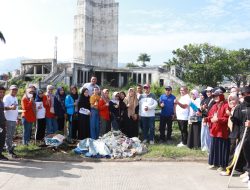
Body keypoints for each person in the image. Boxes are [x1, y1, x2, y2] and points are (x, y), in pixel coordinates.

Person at [205, 87, 230, 171]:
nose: (215, 98)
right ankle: (215, 164)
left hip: (222, 131)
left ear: (221, 96)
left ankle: (222, 165)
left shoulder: (226, 105)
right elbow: (210, 116)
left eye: (217, 96)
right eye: (214, 96)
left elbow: (227, 119)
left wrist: (218, 119)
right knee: (214, 148)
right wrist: (206, 119)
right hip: (214, 131)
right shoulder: (214, 106)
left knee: (222, 148)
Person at [231, 86, 250, 187]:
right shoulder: (240, 107)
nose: (244, 96)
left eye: (246, 94)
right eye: (242, 94)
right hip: (245, 135)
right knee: (246, 154)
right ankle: (248, 172)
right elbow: (236, 121)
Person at [3, 85, 19, 158]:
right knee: (8, 135)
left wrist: (17, 118)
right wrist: (11, 107)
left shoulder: (15, 98)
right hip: (8, 119)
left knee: (11, 135)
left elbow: (16, 109)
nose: (14, 91)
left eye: (15, 90)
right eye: (13, 89)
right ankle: (8, 150)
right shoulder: (7, 97)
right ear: (10, 90)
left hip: (13, 119)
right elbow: (4, 108)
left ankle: (9, 148)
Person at [200, 86, 215, 152]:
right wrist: (202, 109)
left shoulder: (214, 100)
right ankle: (204, 147)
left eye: (209, 91)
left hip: (209, 119)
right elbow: (202, 109)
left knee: (207, 134)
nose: (208, 93)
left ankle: (208, 148)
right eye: (207, 91)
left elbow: (211, 111)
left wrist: (205, 109)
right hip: (204, 117)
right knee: (203, 134)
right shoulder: (206, 99)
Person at [0, 86, 8, 160]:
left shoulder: (1, 101)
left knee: (2, 139)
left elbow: (2, 112)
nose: (2, 94)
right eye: (0, 92)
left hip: (2, 123)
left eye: (3, 92)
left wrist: (5, 121)